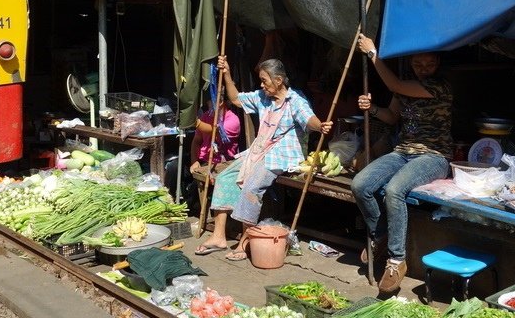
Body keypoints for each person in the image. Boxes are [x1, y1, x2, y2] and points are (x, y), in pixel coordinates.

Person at [194, 56, 332, 260]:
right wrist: (227, 74)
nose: (261, 85)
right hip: (259, 150)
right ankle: (219, 236)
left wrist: (320, 126)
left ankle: (245, 241)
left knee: (251, 186)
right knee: (224, 178)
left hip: (282, 155)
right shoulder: (262, 97)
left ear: (278, 80)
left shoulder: (296, 100)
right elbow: (235, 99)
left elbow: (308, 118)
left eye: (264, 80)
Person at [352, 33, 453, 293]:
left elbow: (394, 85)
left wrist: (373, 54)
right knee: (360, 184)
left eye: (429, 64)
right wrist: (372, 108)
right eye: (418, 65)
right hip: (403, 152)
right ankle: (381, 234)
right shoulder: (406, 88)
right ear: (411, 64)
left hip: (433, 156)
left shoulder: (439, 86)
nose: (424, 70)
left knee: (394, 190)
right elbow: (391, 117)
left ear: (438, 63)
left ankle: (396, 260)